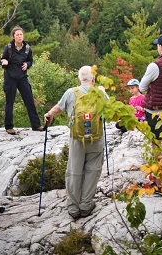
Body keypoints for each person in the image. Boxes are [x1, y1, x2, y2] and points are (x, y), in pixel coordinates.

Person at [44, 66, 105, 219]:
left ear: (79, 79)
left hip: (77, 139)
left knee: (74, 171)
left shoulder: (71, 93)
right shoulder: (101, 93)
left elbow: (58, 108)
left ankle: (73, 207)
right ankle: (85, 205)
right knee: (93, 171)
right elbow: (109, 112)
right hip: (96, 138)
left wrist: (48, 114)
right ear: (93, 79)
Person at [1, 26, 43, 135]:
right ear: (13, 37)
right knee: (10, 102)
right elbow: (3, 59)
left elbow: (30, 61)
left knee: (29, 100)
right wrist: (4, 62)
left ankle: (36, 125)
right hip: (10, 77)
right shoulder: (9, 48)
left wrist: (27, 64)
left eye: (21, 34)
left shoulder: (27, 48)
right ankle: (9, 127)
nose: (19, 36)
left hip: (22, 77)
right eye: (17, 35)